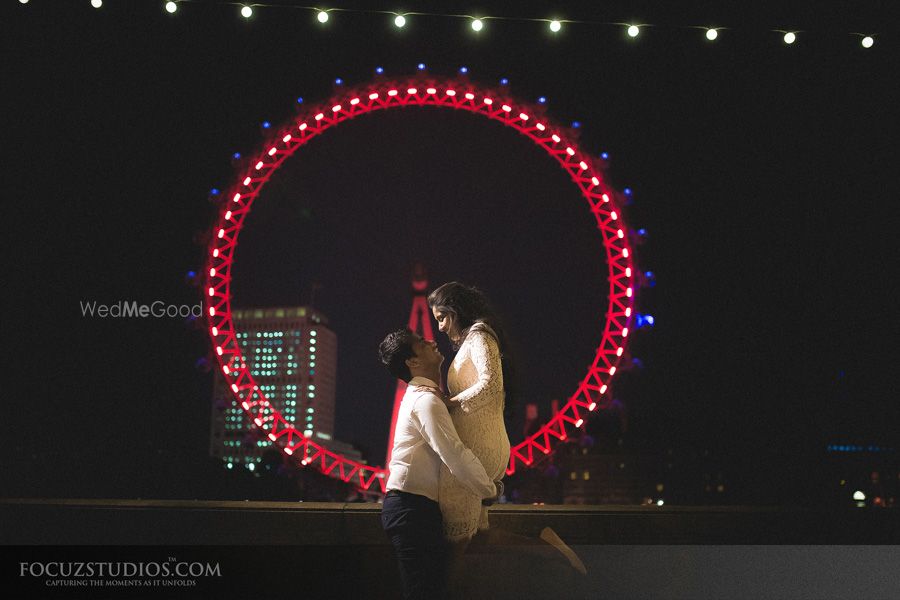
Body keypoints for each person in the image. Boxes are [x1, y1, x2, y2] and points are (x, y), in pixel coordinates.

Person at [428, 282, 587, 579]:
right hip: (482, 446)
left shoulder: (479, 336)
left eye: (441, 317)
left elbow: (490, 386)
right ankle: (546, 548)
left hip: (474, 450)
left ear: (455, 310)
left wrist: (448, 403)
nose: (439, 327)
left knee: (453, 549)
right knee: (478, 537)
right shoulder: (476, 339)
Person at [378, 328, 503, 600]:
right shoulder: (424, 401)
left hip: (415, 509)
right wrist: (489, 489)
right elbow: (454, 453)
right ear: (413, 362)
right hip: (411, 510)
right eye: (422, 344)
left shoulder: (426, 398)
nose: (432, 341)